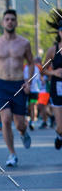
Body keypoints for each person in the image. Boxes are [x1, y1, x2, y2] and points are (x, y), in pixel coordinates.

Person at [0, 9, 33, 167]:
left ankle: (23, 132)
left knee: (20, 123)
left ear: (16, 22)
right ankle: (12, 154)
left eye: (12, 19)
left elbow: (31, 62)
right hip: (2, 85)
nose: (9, 22)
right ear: (3, 22)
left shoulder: (24, 43)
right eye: (7, 19)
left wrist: (28, 81)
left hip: (19, 84)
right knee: (6, 119)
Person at [41, 8, 62, 151]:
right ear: (59, 32)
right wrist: (54, 72)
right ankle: (59, 136)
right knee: (60, 127)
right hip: (57, 89)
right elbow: (42, 70)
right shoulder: (53, 50)